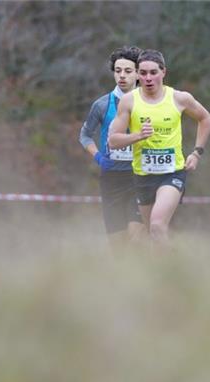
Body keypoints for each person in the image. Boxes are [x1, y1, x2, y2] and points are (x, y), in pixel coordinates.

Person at [108, 49, 210, 248]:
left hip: (172, 173)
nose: (148, 78)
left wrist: (197, 152)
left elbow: (205, 118)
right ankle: (166, 270)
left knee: (157, 226)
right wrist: (138, 136)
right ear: (137, 74)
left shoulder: (179, 98)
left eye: (153, 72)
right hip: (143, 175)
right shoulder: (129, 101)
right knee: (152, 233)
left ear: (163, 72)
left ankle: (173, 277)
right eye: (143, 73)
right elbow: (113, 141)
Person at [79, 46, 145, 253]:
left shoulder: (150, 102)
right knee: (118, 246)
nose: (122, 76)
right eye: (118, 71)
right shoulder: (101, 105)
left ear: (137, 73)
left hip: (140, 176)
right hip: (112, 177)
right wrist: (98, 156)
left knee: (136, 239)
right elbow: (85, 135)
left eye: (127, 71)